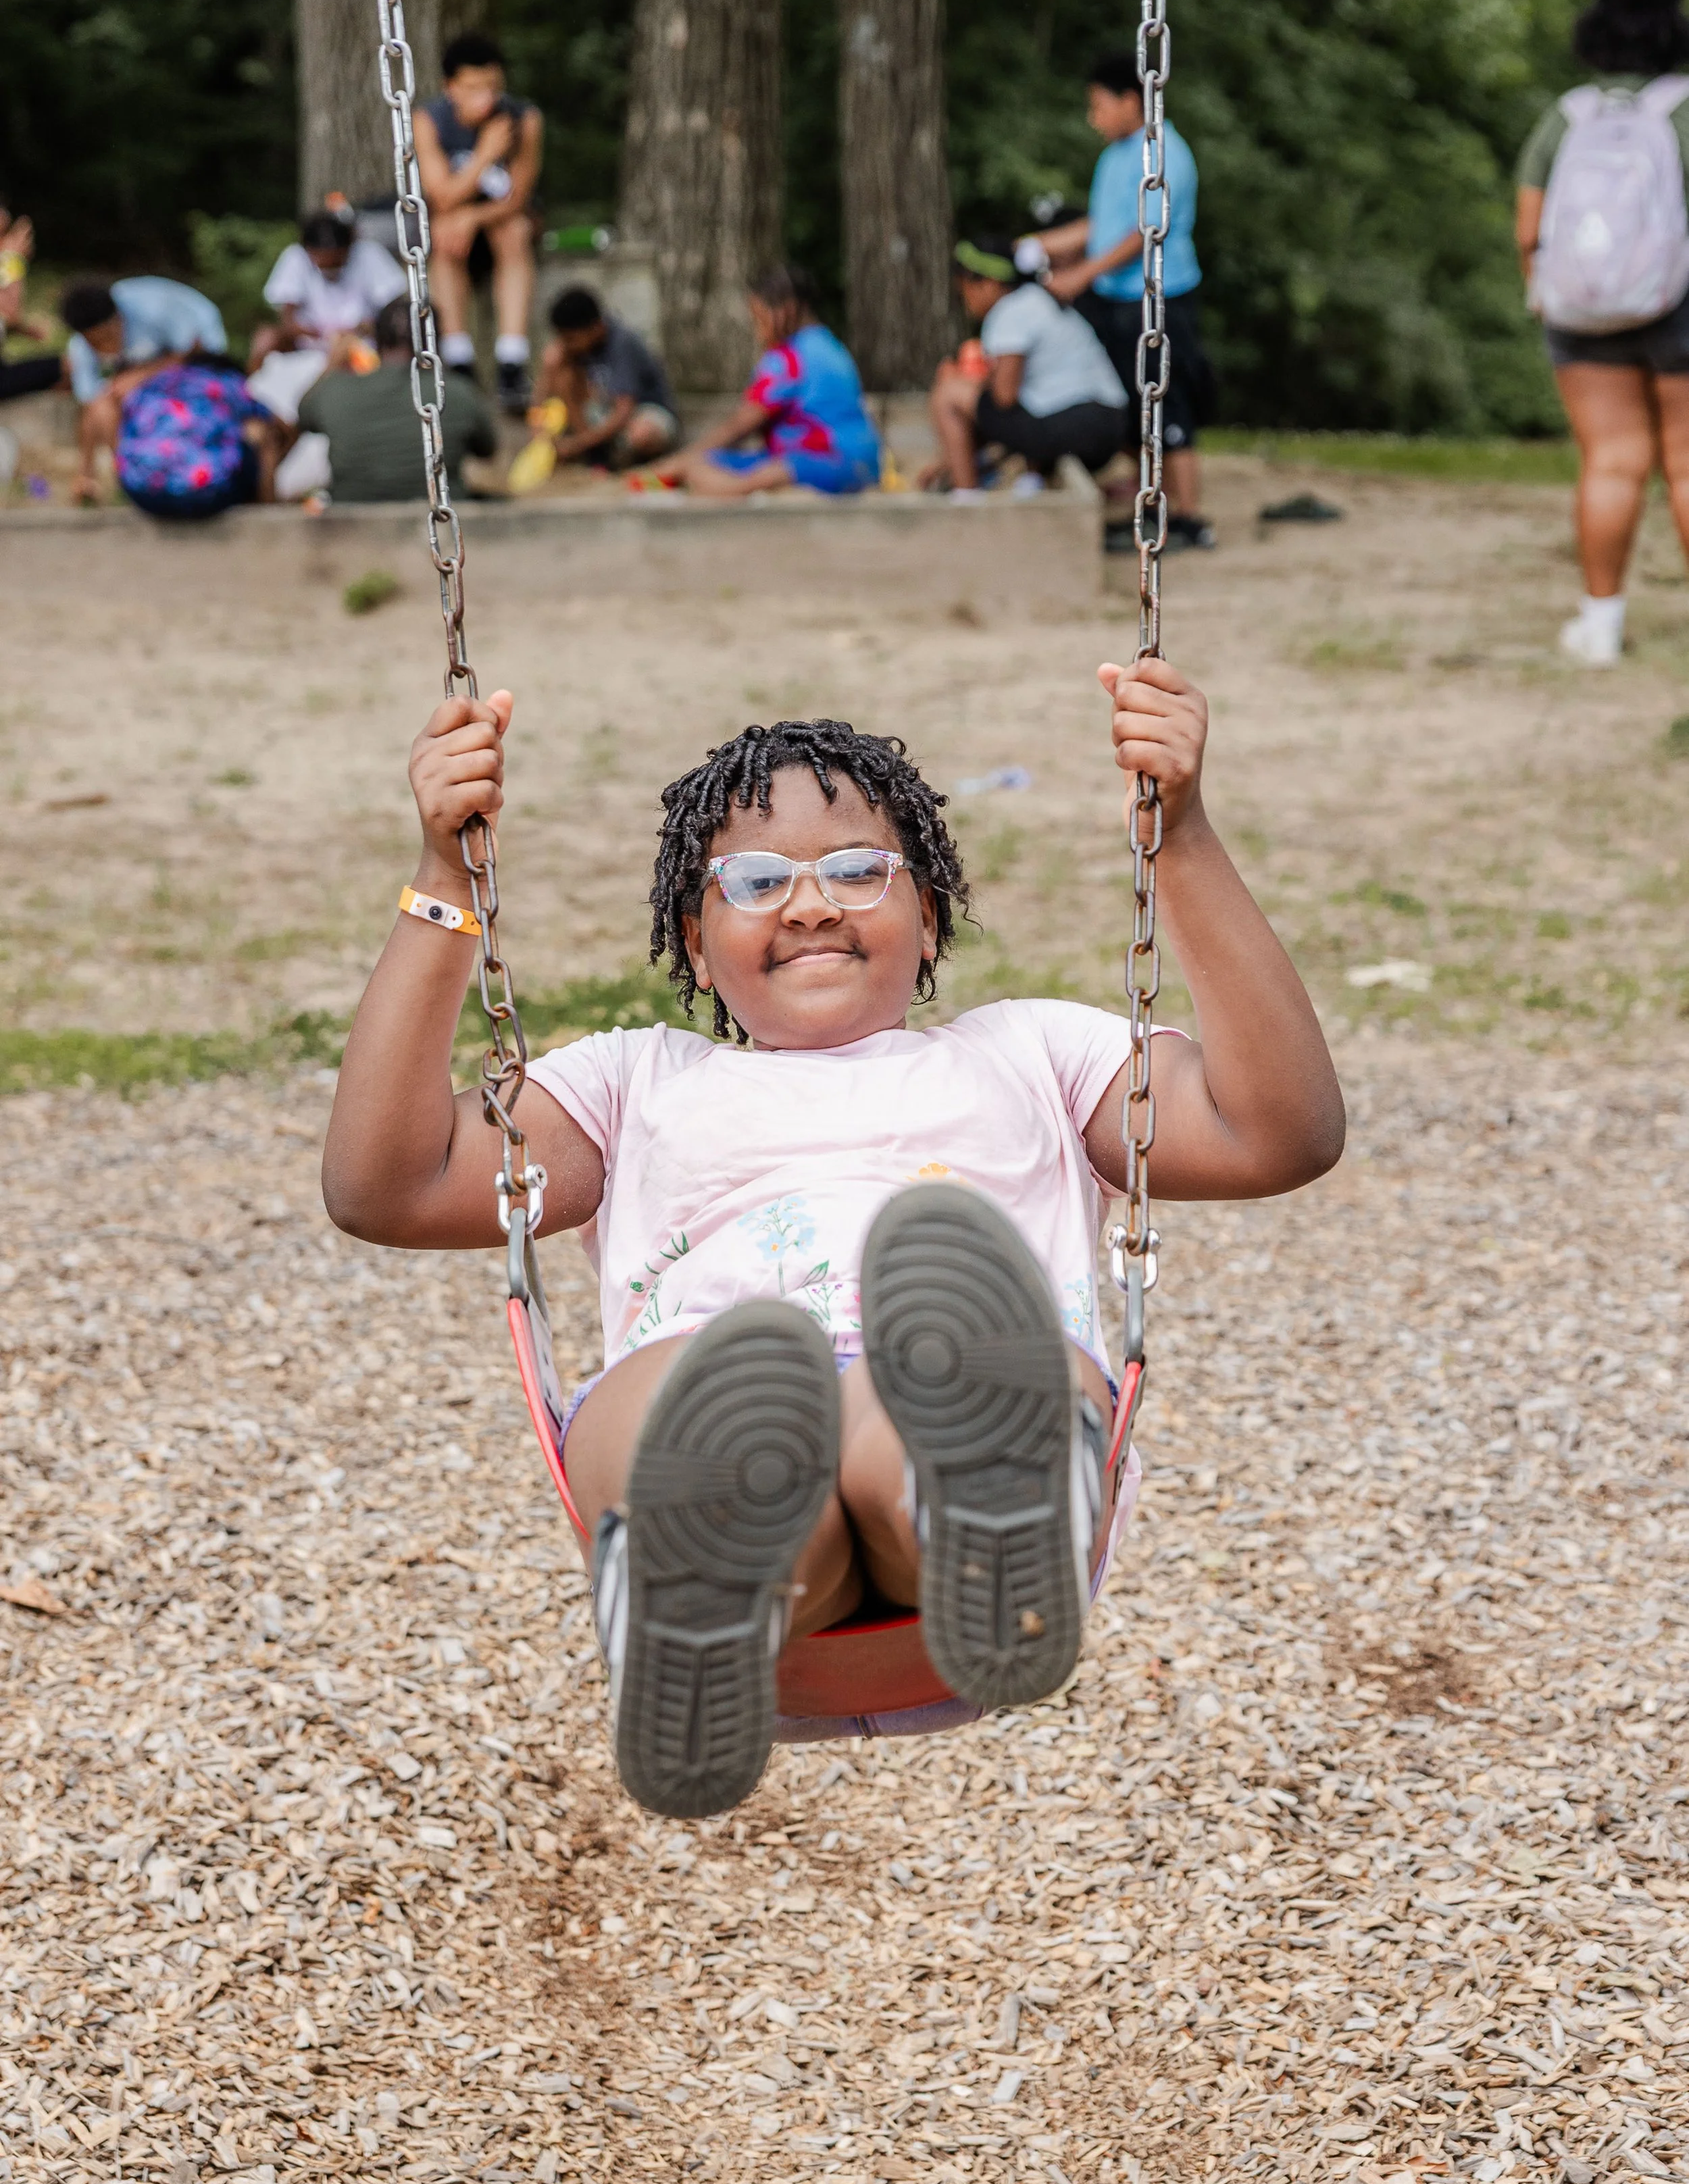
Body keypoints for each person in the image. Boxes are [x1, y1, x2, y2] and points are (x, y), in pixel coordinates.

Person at [321, 649, 1344, 1820]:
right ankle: (700, 1586)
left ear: (929, 918)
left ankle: (980, 1514)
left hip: (937, 1426)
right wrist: (446, 876)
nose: (810, 901)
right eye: (754, 881)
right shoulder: (633, 1084)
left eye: (860, 870)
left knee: (926, 1380)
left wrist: (1186, 838)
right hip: (727, 1431)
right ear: (695, 946)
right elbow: (386, 1185)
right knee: (720, 1399)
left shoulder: (1032, 1055)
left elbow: (1281, 1134)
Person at [1515, 0, 1689, 667]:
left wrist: (1547, 292)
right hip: (1680, 308)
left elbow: (1530, 228)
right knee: (1684, 463)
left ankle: (1600, 625)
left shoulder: (1568, 116)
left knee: (1611, 461)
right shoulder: (1682, 111)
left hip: (1581, 316)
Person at [1018, 49, 1213, 527]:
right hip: (1117, 301)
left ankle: (1188, 517)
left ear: (1131, 100)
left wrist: (1080, 275)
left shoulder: (1165, 153)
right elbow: (1101, 227)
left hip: (1160, 300)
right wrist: (1029, 248)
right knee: (1130, 399)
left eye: (1099, 105)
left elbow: (1141, 234)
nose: (1094, 118)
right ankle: (1151, 497)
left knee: (1170, 405)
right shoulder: (1114, 157)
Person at [638, 265, 881, 497]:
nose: (758, 333)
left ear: (785, 311)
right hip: (866, 463)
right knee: (730, 466)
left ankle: (734, 490)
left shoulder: (789, 357)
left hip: (823, 462)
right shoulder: (830, 345)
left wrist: (681, 461)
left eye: (760, 320)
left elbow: (740, 426)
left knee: (704, 469)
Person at [923, 236, 1128, 491]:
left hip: (1079, 424)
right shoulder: (1038, 299)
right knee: (1025, 404)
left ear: (989, 284)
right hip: (1109, 423)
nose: (966, 302)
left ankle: (966, 497)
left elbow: (1004, 397)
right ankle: (1028, 479)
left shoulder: (1010, 312)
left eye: (965, 291)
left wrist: (961, 379)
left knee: (949, 394)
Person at [413, 30, 544, 413]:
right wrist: (485, 154)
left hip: (503, 228)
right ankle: (458, 359)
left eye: (493, 87)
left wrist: (472, 216)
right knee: (440, 231)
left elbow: (517, 197)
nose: (485, 99)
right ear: (450, 87)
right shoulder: (429, 120)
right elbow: (440, 196)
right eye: (472, 88)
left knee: (514, 230)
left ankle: (512, 360)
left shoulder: (525, 119)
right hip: (452, 237)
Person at [291, 295, 495, 504]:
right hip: (436, 520)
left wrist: (332, 363)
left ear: (378, 341)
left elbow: (302, 415)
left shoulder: (335, 390)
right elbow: (487, 450)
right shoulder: (457, 392)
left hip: (353, 521)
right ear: (436, 341)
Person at [60, 276, 230, 505]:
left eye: (107, 338)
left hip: (200, 359)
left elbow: (198, 352)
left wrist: (140, 376)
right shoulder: (80, 347)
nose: (104, 348)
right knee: (104, 403)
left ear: (118, 320)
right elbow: (92, 404)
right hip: (146, 368)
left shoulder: (156, 308)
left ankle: (179, 473)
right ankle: (132, 477)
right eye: (95, 344)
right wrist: (85, 473)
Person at [110, 358, 282, 519]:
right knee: (259, 430)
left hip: (141, 492)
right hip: (206, 492)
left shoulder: (153, 383)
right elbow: (278, 424)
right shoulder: (229, 381)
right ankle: (268, 512)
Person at [532, 286, 679, 469]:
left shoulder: (622, 344)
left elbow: (624, 410)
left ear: (596, 328)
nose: (566, 345)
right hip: (604, 416)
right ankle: (597, 457)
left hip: (643, 413)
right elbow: (544, 396)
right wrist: (548, 369)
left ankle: (619, 460)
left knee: (642, 434)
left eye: (570, 339)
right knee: (564, 377)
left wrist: (578, 444)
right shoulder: (575, 347)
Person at [251, 211, 407, 370]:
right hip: (312, 343)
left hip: (364, 344)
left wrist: (365, 328)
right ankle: (248, 391)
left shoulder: (368, 253)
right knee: (265, 338)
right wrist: (318, 334)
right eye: (324, 265)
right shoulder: (296, 257)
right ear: (309, 252)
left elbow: (394, 309)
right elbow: (287, 319)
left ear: (349, 248)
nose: (331, 269)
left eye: (338, 262)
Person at [0, 210, 61, 403]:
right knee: (72, 368)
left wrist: (25, 330)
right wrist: (13, 259)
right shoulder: (9, 263)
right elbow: (9, 313)